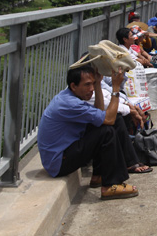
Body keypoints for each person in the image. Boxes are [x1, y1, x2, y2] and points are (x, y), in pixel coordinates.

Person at [37, 64, 144, 200]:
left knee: (107, 124)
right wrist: (115, 89)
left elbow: (100, 113)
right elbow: (109, 119)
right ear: (73, 86)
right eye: (87, 85)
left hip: (64, 152)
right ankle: (111, 185)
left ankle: (98, 176)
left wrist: (98, 84)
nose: (91, 89)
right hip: (59, 162)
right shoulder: (71, 104)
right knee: (107, 131)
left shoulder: (70, 96)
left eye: (92, 84)